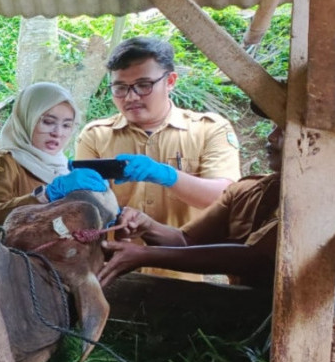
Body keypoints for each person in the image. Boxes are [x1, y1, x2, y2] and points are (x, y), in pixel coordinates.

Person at [97, 103, 283, 290]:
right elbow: (185, 241)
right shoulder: (248, 191)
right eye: (273, 127)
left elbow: (255, 258)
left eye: (284, 130)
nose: (271, 137)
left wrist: (145, 254)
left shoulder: (308, 206)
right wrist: (147, 226)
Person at [75, 37, 242, 230]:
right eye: (120, 88)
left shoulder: (210, 129)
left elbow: (225, 198)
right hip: (118, 256)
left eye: (144, 85)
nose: (131, 97)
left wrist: (169, 176)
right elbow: (86, 204)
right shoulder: (95, 136)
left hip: (190, 257)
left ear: (170, 81)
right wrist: (118, 215)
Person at [0, 82, 109, 230]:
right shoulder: (5, 162)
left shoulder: (63, 166)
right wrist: (44, 196)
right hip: (13, 253)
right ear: (27, 119)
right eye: (48, 122)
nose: (57, 133)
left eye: (66, 125)